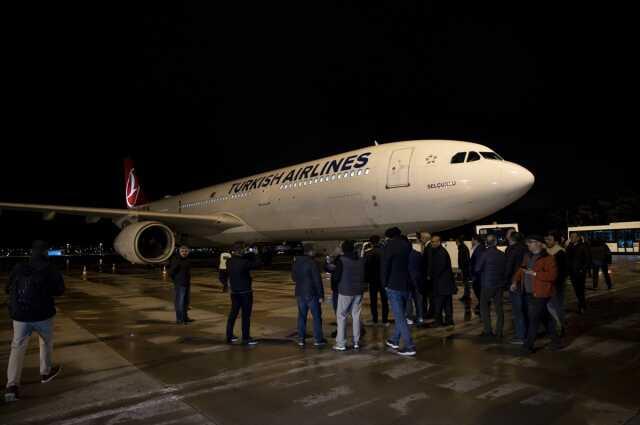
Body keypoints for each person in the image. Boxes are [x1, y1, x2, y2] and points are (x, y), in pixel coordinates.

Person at [5, 241, 65, 402]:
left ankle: (12, 386)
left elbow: (7, 288)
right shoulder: (50, 268)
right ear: (45, 253)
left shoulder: (18, 267)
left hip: (20, 316)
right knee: (46, 342)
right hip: (42, 315)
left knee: (17, 348)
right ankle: (45, 373)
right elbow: (60, 291)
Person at [512, 235, 561, 354]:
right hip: (528, 292)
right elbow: (521, 269)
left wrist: (535, 273)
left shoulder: (548, 258)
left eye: (530, 242)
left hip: (541, 293)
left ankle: (527, 346)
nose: (528, 244)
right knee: (545, 317)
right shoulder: (527, 256)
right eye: (527, 242)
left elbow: (552, 276)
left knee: (533, 319)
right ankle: (556, 341)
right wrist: (514, 281)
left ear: (538, 243)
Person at [382, 227, 416, 356]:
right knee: (401, 314)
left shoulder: (389, 246)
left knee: (400, 317)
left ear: (388, 236)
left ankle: (409, 346)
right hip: (406, 284)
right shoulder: (407, 245)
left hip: (394, 284)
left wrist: (384, 283)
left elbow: (385, 266)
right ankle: (394, 340)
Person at [291, 244, 326, 347]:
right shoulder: (312, 263)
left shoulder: (296, 263)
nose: (314, 252)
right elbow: (317, 280)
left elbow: (293, 278)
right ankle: (318, 339)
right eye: (313, 250)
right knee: (316, 317)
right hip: (312, 293)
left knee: (302, 316)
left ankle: (301, 339)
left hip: (300, 293)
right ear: (310, 252)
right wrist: (321, 295)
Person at [333, 241, 366, 351]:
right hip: (359, 291)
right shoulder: (360, 260)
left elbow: (336, 276)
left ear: (343, 249)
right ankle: (356, 341)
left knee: (342, 316)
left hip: (345, 291)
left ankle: (341, 343)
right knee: (356, 316)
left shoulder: (342, 260)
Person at [226, 245, 262, 345]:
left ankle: (229, 335)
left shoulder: (229, 261)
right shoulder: (244, 262)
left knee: (233, 314)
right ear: (240, 252)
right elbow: (258, 264)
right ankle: (246, 337)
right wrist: (255, 253)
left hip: (234, 292)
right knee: (246, 316)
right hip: (245, 292)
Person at [475, 234, 506, 339]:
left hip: (487, 284)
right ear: (496, 242)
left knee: (484, 307)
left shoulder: (484, 254)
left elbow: (477, 268)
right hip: (499, 284)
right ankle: (499, 331)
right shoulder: (502, 254)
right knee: (499, 308)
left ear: (487, 243)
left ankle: (488, 330)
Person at [426, 235, 457, 327]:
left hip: (441, 284)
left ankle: (438, 321)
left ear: (439, 242)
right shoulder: (440, 251)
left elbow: (439, 268)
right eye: (431, 242)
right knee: (447, 304)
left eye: (434, 242)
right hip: (446, 284)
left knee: (438, 304)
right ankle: (449, 321)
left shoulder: (440, 252)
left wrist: (430, 276)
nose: (432, 243)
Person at [504, 231, 528, 344]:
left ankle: (521, 336)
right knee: (524, 309)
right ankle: (526, 333)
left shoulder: (511, 249)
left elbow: (508, 267)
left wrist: (505, 281)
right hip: (525, 282)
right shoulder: (525, 248)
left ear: (511, 238)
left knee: (517, 311)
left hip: (515, 282)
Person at [545, 232, 569, 335]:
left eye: (550, 239)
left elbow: (563, 270)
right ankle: (557, 325)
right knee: (550, 305)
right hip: (549, 283)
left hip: (557, 284)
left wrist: (556, 281)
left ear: (556, 241)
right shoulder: (548, 251)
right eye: (547, 239)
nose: (547, 241)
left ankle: (560, 326)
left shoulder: (560, 252)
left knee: (557, 305)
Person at [364, 235, 389, 326]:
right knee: (384, 301)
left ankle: (375, 320)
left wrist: (365, 280)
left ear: (370, 243)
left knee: (373, 301)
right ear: (379, 241)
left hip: (372, 280)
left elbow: (365, 268)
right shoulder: (385, 252)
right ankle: (385, 320)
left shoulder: (368, 253)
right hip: (383, 280)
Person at [168, 245, 193, 324]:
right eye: (182, 251)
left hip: (186, 283)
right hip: (180, 284)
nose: (184, 253)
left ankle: (185, 317)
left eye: (186, 251)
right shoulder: (176, 260)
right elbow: (171, 272)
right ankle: (179, 319)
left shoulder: (187, 260)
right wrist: (176, 280)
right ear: (179, 252)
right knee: (180, 302)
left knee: (186, 302)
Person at [566, 233, 589, 313]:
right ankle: (581, 304)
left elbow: (587, 259)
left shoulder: (583, 246)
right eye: (571, 237)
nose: (571, 238)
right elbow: (567, 258)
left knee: (580, 290)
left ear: (578, 238)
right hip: (572, 272)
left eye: (573, 237)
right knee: (576, 290)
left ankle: (582, 306)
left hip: (580, 272)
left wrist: (583, 270)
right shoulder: (570, 246)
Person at [407, 239, 425, 326]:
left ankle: (409, 318)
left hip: (408, 281)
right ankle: (420, 317)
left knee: (408, 301)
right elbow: (422, 268)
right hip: (418, 280)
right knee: (418, 300)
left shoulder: (404, 255)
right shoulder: (418, 254)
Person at [469, 234, 486, 316]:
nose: (471, 241)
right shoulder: (479, 248)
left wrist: (475, 276)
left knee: (478, 291)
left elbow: (478, 264)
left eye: (472, 240)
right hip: (478, 276)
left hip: (478, 276)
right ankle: (481, 305)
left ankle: (482, 306)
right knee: (478, 291)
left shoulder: (479, 249)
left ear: (475, 240)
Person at [456, 237, 471, 302]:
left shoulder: (462, 248)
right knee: (465, 282)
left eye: (456, 241)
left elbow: (462, 259)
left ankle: (466, 296)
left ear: (459, 242)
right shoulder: (463, 247)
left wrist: (461, 268)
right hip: (465, 268)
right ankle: (466, 295)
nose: (456, 243)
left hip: (465, 268)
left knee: (466, 282)